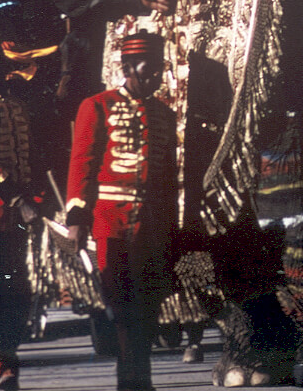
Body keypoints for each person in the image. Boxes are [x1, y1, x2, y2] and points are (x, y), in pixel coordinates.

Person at [66, 30, 177, 391]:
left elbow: (168, 177)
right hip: (110, 222)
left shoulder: (164, 114)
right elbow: (82, 164)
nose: (157, 74)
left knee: (149, 306)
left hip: (153, 225)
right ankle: (130, 380)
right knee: (122, 304)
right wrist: (77, 218)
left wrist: (173, 229)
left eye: (160, 67)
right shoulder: (96, 105)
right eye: (149, 68)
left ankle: (138, 379)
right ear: (128, 68)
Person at [0, 32, 42, 391]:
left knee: (16, 291)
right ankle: (3, 366)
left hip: (18, 217)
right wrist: (17, 198)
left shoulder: (19, 105)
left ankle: (4, 362)